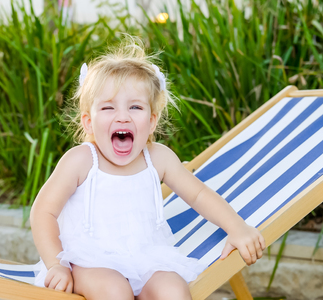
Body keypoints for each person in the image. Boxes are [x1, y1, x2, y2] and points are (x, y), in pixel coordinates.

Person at [30, 37, 265, 300]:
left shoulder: (159, 158)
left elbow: (199, 195)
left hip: (147, 257)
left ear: (152, 121)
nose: (122, 116)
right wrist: (55, 264)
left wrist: (237, 227)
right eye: (108, 107)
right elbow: (43, 212)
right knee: (114, 291)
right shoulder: (82, 160)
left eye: (135, 107)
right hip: (89, 260)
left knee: (173, 290)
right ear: (88, 122)